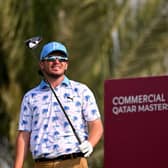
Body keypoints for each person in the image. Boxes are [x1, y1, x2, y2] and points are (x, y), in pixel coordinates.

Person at [13, 41, 103, 168]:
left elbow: (96, 125)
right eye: (51, 58)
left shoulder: (81, 90)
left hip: (74, 162)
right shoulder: (30, 97)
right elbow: (24, 134)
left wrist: (90, 144)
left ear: (66, 65)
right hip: (42, 164)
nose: (57, 62)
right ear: (41, 64)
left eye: (62, 58)